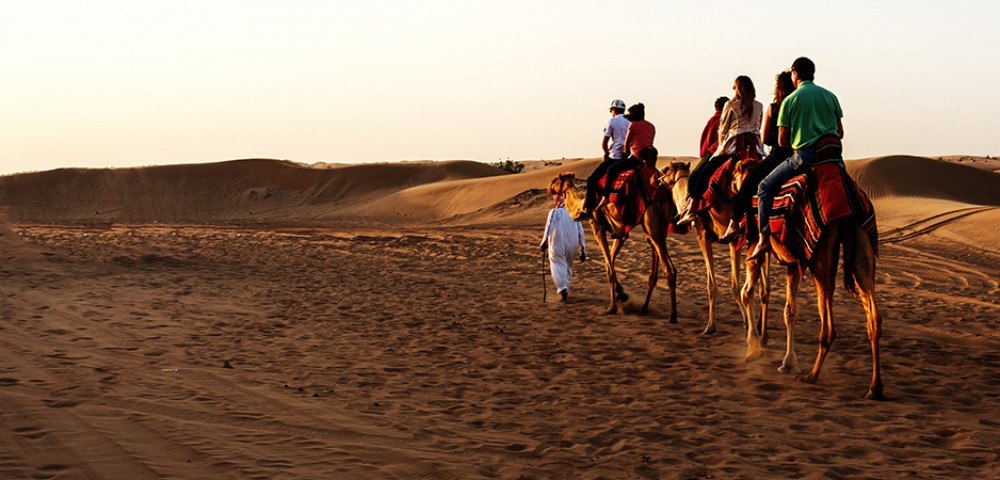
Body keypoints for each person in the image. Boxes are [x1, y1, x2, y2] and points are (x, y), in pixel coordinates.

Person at [748, 57, 844, 259]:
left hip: (805, 157)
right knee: (851, 192)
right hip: (833, 158)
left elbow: (782, 141)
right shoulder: (830, 96)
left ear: (795, 74)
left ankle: (764, 237)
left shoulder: (789, 102)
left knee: (764, 188)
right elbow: (840, 132)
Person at [718, 71, 797, 243]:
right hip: (796, 154)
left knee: (753, 184)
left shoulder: (773, 108)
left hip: (778, 155)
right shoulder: (795, 107)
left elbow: (766, 138)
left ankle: (737, 224)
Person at [677, 76, 764, 224]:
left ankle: (692, 209)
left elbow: (723, 130)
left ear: (738, 89)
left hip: (734, 148)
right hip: (754, 148)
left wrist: (720, 148)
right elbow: (758, 126)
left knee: (702, 174)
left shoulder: (731, 105)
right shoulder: (759, 106)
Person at [578, 99, 631, 219]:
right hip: (628, 157)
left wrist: (606, 153)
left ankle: (589, 209)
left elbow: (604, 143)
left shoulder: (612, 121)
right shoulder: (630, 122)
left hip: (615, 157)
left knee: (592, 179)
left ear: (613, 110)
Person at [540, 194, 587, 302]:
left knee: (556, 265)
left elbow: (548, 227)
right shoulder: (574, 213)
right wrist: (582, 250)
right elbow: (581, 232)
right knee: (568, 266)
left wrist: (544, 243)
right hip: (572, 245)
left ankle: (562, 289)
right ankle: (565, 287)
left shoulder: (554, 212)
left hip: (557, 245)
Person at [699, 96, 730, 163]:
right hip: (730, 151)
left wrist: (703, 155)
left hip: (714, 151)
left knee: (695, 173)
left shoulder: (715, 120)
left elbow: (707, 139)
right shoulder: (732, 120)